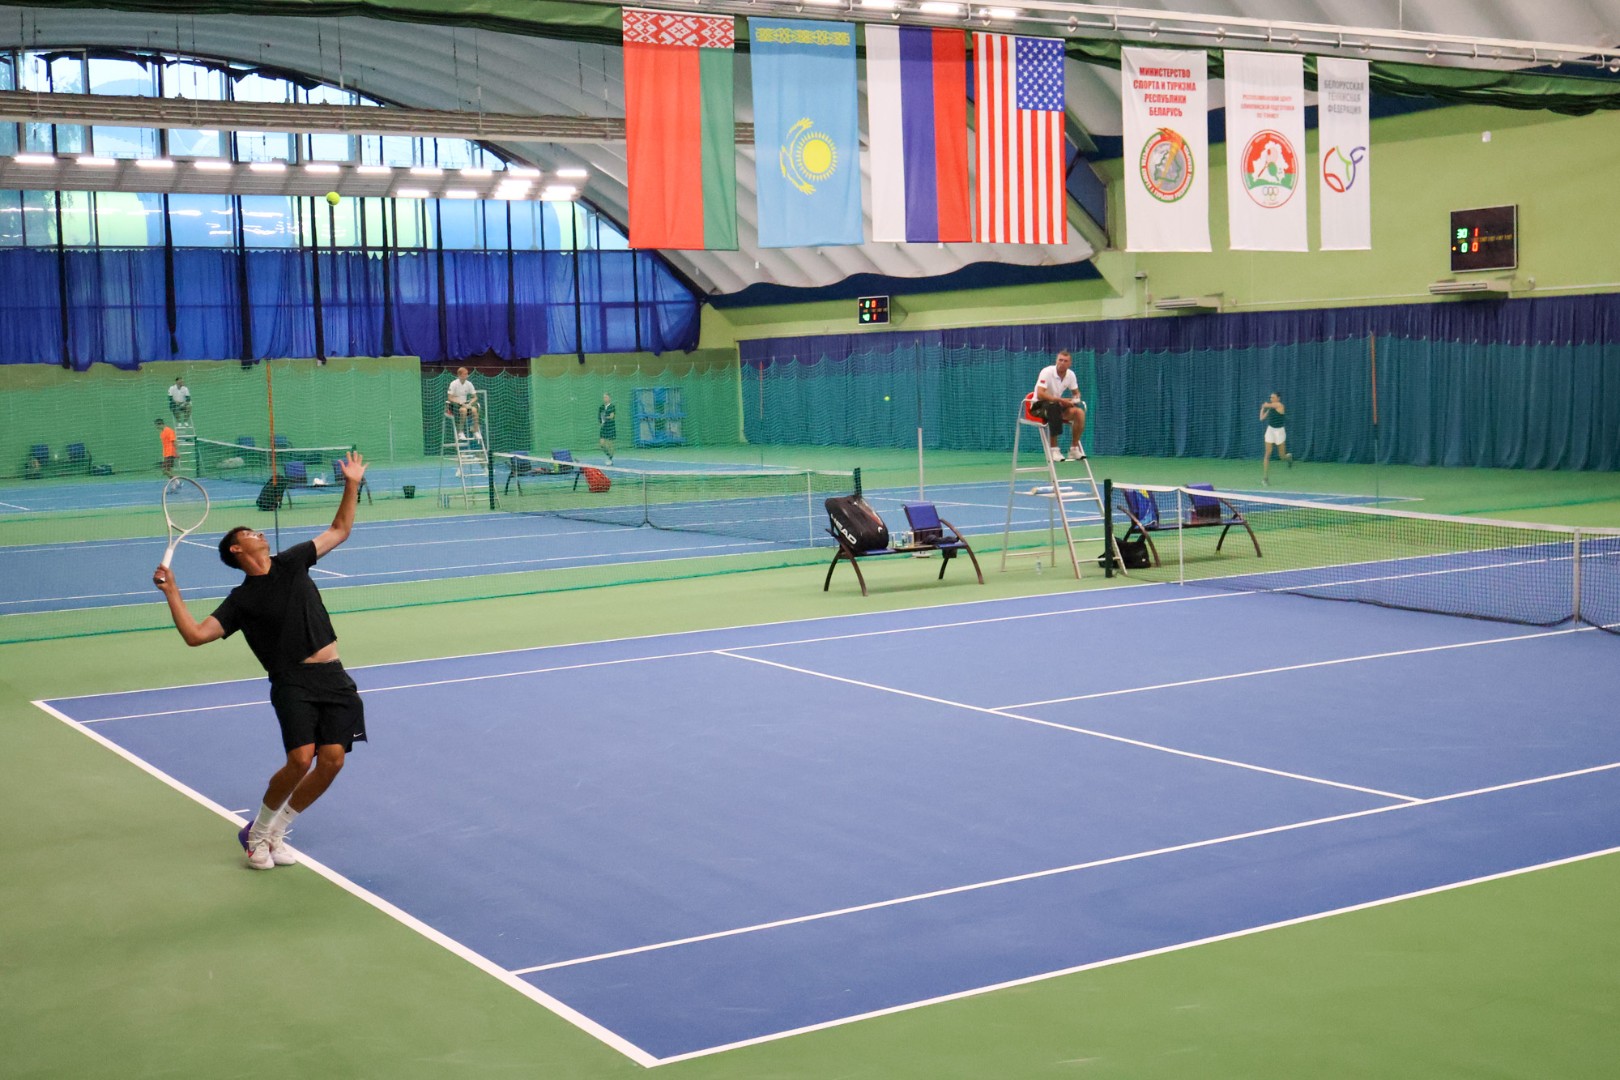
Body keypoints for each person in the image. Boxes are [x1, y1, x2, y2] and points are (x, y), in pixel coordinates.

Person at [152, 452, 370, 871]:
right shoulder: (241, 601)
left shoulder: (292, 561)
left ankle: (274, 831)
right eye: (249, 532)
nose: (259, 532)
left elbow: (340, 530)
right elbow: (195, 635)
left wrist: (351, 483)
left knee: (332, 761)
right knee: (300, 759)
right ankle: (255, 835)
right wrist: (172, 592)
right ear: (237, 549)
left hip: (333, 675)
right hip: (292, 681)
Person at [1032, 349, 1087, 463]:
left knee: (1079, 413)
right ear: (1056, 361)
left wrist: (1075, 399)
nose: (1062, 363)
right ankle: (1054, 450)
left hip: (1056, 405)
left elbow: (1076, 392)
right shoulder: (1047, 372)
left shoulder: (1071, 375)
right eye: (1060, 360)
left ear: (1070, 363)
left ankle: (1074, 449)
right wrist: (1061, 400)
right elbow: (1040, 394)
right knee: (1054, 407)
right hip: (1038, 407)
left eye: (1065, 361)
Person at [1259, 391, 1294, 485]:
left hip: (1279, 432)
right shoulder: (1270, 408)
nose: (1271, 399)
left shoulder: (1280, 405)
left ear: (1278, 398)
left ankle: (1288, 458)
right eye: (1271, 397)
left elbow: (1268, 405)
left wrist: (1265, 405)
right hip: (1270, 430)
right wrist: (1262, 409)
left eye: (1273, 397)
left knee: (1282, 456)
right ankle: (1265, 478)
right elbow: (1261, 418)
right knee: (1267, 454)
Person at [445, 366, 480, 440]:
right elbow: (450, 398)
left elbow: (475, 397)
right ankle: (460, 432)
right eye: (465, 374)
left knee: (474, 410)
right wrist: (460, 402)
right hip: (454, 406)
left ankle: (475, 431)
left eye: (467, 374)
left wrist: (470, 403)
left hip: (465, 405)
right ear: (459, 375)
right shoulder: (454, 384)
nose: (467, 375)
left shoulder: (469, 384)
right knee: (463, 410)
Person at [597, 393, 617, 464]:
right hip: (604, 427)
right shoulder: (601, 407)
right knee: (602, 444)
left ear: (609, 398)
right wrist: (601, 423)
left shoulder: (612, 406)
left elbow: (612, 416)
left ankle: (610, 459)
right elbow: (599, 417)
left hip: (610, 427)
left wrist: (605, 418)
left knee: (609, 444)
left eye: (606, 397)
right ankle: (609, 455)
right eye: (604, 397)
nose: (605, 399)